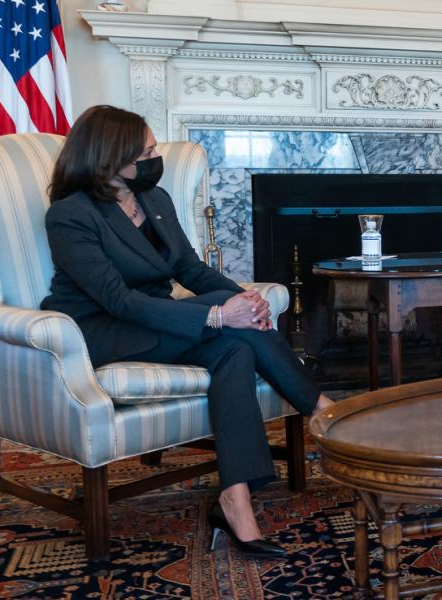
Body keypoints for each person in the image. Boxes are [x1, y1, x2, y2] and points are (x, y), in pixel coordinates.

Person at [41, 105, 335, 558]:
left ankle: (234, 498)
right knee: (229, 325)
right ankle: (320, 409)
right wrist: (219, 314)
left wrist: (245, 300)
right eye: (146, 151)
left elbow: (190, 269)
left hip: (158, 318)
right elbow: (118, 300)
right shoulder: (70, 215)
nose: (155, 158)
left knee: (235, 349)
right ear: (108, 159)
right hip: (101, 329)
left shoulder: (153, 201)